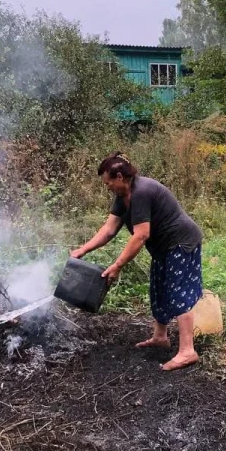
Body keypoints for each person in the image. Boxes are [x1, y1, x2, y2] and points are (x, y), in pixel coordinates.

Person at [70, 153, 204, 371]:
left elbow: (141, 235)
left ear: (120, 176)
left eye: (108, 182)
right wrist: (82, 250)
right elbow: (109, 229)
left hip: (181, 243)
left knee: (179, 293)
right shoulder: (124, 195)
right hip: (163, 248)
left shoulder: (141, 192)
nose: (107, 187)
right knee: (159, 288)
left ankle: (187, 351)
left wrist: (118, 265)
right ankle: (160, 337)